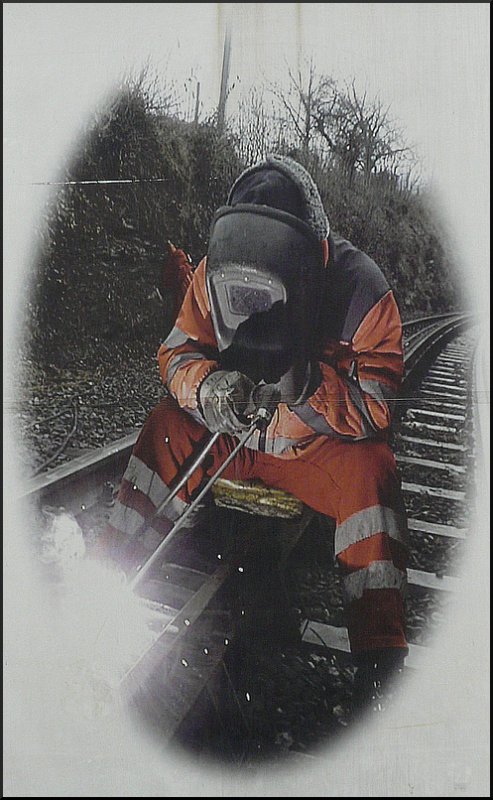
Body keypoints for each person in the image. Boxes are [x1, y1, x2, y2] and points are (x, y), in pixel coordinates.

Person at [100, 154, 409, 709]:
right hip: (232, 433)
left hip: (310, 450)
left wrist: (312, 386)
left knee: (374, 471)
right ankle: (107, 571)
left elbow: (378, 404)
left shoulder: (362, 290)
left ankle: (379, 654)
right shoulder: (212, 272)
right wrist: (208, 391)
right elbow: (176, 354)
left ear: (311, 263)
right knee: (165, 428)